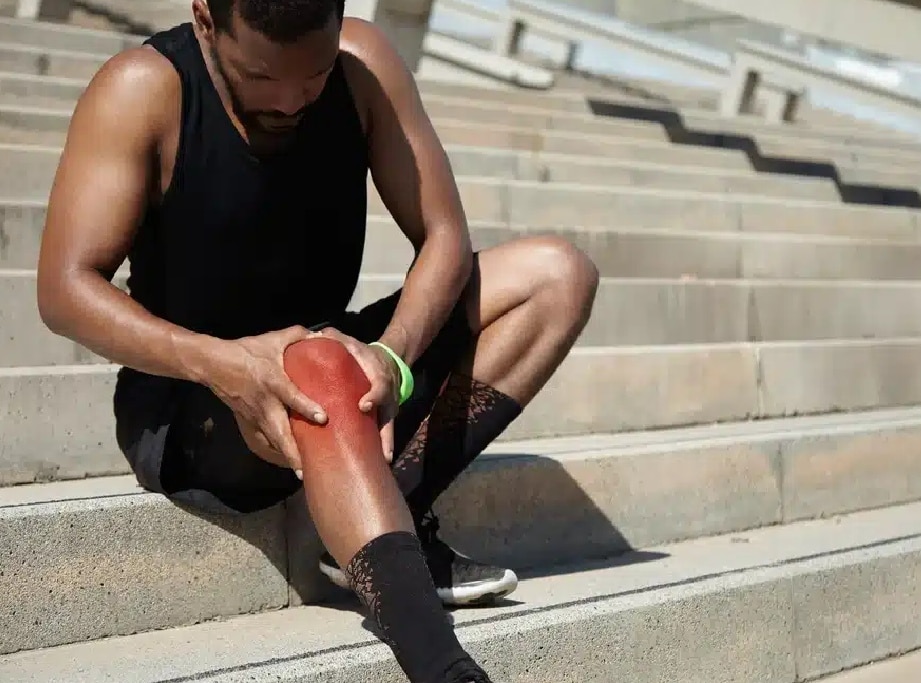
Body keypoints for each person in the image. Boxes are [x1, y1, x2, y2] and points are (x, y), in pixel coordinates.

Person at [36, 0, 599, 680]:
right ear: (207, 19)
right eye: (260, 76)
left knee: (557, 275)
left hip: (334, 357)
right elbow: (64, 288)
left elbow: (445, 236)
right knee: (319, 360)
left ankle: (385, 506)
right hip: (196, 399)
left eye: (315, 73)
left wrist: (392, 355)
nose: (292, 99)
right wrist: (223, 362)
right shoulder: (144, 89)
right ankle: (440, 663)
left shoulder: (363, 66)